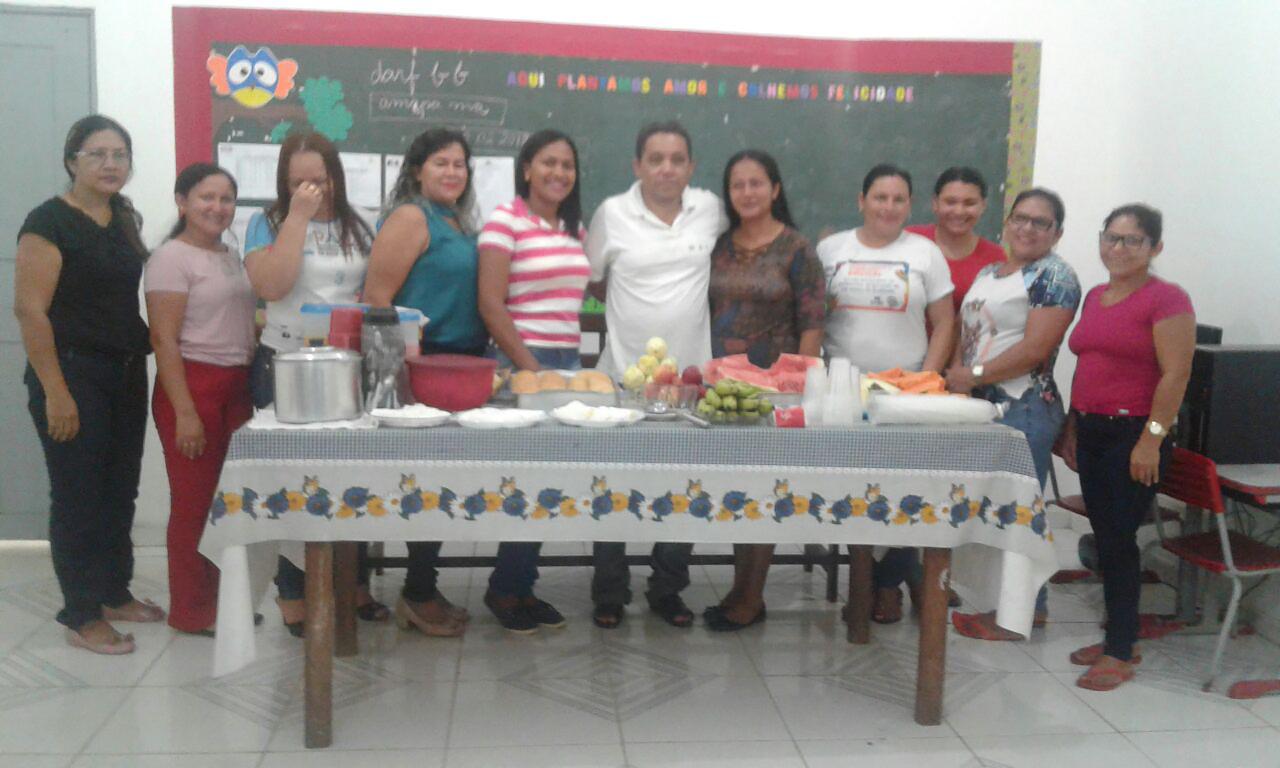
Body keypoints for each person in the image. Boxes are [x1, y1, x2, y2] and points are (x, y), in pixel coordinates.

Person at [364, 127, 564, 635]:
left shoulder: (456, 221)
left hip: (465, 365)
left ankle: (424, 587)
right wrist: (397, 378)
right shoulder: (412, 218)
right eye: (441, 163)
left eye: (460, 164)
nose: (453, 172)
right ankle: (418, 592)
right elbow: (377, 299)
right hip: (426, 368)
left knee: (446, 483)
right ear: (416, 170)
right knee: (426, 483)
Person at [14, 115, 164, 655]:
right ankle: (81, 612)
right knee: (78, 495)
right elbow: (30, 311)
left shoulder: (122, 216)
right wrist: (55, 391)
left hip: (124, 371)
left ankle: (113, 592)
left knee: (119, 488)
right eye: (97, 153)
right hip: (71, 373)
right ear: (72, 160)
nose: (110, 164)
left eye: (119, 154)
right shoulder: (48, 221)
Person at [242, 131, 386, 635]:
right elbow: (271, 286)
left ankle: (354, 582)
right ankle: (293, 592)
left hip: (349, 366)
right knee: (295, 479)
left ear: (335, 176)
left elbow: (378, 285)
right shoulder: (267, 223)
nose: (311, 188)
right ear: (284, 181)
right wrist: (298, 219)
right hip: (287, 364)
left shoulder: (362, 222)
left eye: (319, 180)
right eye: (299, 181)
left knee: (359, 478)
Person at [585, 120, 727, 629]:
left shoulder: (709, 209)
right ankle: (609, 591)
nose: (666, 168)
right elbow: (594, 279)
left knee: (682, 488)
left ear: (690, 167)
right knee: (612, 484)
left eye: (677, 159)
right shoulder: (612, 214)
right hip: (622, 379)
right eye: (655, 158)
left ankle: (668, 589)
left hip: (689, 385)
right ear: (637, 166)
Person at [1060, 203, 1194, 691]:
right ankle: (1121, 635)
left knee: (1118, 541)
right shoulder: (1096, 296)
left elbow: (1177, 372)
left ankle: (1120, 649)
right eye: (1110, 238)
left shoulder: (1167, 299)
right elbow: (1087, 363)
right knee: (1105, 535)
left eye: (1132, 240)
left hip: (1135, 435)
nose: (1118, 248)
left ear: (1155, 248)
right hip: (1092, 430)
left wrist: (1151, 442)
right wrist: (1072, 426)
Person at [817, 163, 956, 624]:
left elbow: (946, 322)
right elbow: (811, 317)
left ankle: (886, 582)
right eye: (880, 197)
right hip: (842, 391)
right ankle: (877, 580)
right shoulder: (830, 250)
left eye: (898, 199)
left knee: (906, 492)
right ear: (861, 200)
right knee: (850, 489)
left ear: (909, 205)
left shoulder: (926, 253)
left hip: (904, 392)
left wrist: (928, 381)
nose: (888, 207)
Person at [944, 188, 1081, 641]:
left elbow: (1035, 350)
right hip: (982, 406)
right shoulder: (991, 271)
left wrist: (973, 373)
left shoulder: (1054, 276)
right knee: (990, 511)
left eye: (1040, 222)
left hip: (1023, 408)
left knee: (1018, 514)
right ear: (1005, 222)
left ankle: (1023, 614)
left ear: (1057, 232)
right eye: (1020, 218)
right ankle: (999, 604)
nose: (1026, 228)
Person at [702, 149, 824, 631]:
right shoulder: (718, 245)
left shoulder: (797, 249)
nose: (747, 193)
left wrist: (801, 382)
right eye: (737, 185)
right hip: (727, 389)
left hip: (779, 389)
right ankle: (740, 587)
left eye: (757, 183)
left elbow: (813, 321)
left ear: (775, 189)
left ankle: (751, 595)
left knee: (766, 488)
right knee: (738, 488)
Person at [146, 163, 256, 636]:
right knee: (193, 504)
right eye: (206, 197)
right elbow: (164, 339)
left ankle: (223, 602)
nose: (217, 207)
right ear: (182, 202)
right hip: (191, 387)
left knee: (226, 504)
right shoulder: (171, 257)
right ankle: (191, 610)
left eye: (226, 199)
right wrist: (186, 412)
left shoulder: (230, 254)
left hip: (237, 385)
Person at [478, 129, 589, 372]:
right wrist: (532, 368)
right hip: (519, 358)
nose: (559, 173)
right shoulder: (505, 220)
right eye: (549, 163)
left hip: (570, 358)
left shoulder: (574, 228)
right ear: (527, 170)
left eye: (567, 166)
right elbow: (490, 303)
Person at [906, 166, 1007, 311]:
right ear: (935, 203)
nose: (959, 211)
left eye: (969, 203)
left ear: (983, 206)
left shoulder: (995, 258)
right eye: (950, 202)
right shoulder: (909, 241)